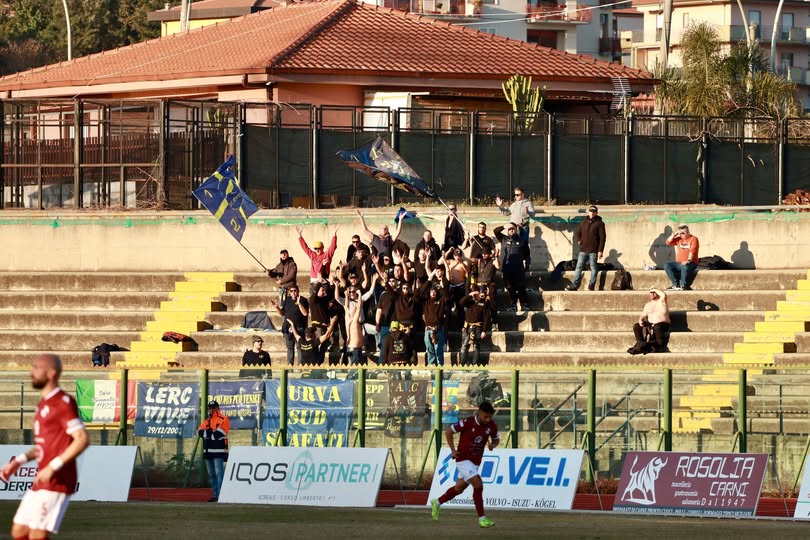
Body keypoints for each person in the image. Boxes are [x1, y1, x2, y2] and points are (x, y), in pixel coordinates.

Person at [0, 354, 89, 540]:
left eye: (36, 368)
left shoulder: (63, 402)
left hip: (58, 479)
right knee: (19, 531)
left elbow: (81, 439)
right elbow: (42, 446)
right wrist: (18, 462)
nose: (30, 372)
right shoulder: (43, 405)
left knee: (37, 534)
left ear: (51, 373)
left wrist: (53, 466)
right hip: (42, 479)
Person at [430, 401, 499, 528]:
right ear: (479, 413)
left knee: (458, 489)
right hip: (463, 460)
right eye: (486, 417)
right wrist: (453, 450)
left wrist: (492, 445)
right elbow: (448, 432)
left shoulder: (491, 425)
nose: (488, 419)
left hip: (475, 463)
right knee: (478, 484)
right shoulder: (467, 422)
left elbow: (496, 439)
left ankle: (437, 502)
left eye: (490, 417)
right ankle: (482, 519)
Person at [567, 205, 606, 291]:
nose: (592, 213)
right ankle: (574, 285)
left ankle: (591, 285)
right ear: (588, 212)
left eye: (594, 211)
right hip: (583, 249)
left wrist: (600, 250)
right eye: (591, 211)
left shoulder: (600, 223)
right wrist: (579, 240)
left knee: (593, 268)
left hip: (594, 250)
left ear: (596, 213)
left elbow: (602, 238)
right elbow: (578, 232)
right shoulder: (583, 222)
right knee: (578, 267)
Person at [198, 400, 230, 502]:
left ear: (217, 408)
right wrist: (211, 433)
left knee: (219, 473)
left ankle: (221, 495)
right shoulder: (207, 420)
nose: (211, 410)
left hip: (219, 451)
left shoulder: (224, 419)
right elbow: (199, 432)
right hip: (208, 451)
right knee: (211, 474)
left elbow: (218, 434)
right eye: (209, 408)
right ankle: (215, 494)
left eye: (213, 407)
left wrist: (208, 433)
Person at [494, 223, 530, 312]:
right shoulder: (503, 239)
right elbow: (496, 231)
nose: (511, 230)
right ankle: (513, 305)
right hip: (506, 269)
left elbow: (526, 253)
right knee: (510, 288)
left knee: (521, 287)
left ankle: (524, 304)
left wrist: (519, 260)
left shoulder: (522, 240)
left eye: (513, 228)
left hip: (518, 269)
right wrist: (503, 226)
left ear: (516, 229)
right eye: (509, 229)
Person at [495, 186, 535, 262]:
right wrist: (500, 206)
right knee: (513, 246)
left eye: (518, 195)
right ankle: (513, 262)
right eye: (515, 195)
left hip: (523, 228)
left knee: (524, 246)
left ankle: (527, 265)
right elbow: (506, 213)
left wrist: (528, 212)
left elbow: (533, 214)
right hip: (513, 229)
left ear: (523, 194)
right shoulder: (514, 204)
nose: (516, 196)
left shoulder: (528, 203)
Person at [271, 284, 308, 365]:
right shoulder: (286, 300)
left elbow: (305, 313)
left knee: (300, 347)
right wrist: (277, 308)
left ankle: (300, 366)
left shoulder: (303, 300)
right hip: (287, 328)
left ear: (298, 291)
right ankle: (290, 367)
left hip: (299, 328)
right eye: (291, 291)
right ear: (289, 292)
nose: (293, 292)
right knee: (290, 348)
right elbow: (282, 313)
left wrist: (299, 304)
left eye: (295, 290)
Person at [296, 225, 339, 295]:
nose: (317, 250)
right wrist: (300, 236)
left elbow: (332, 247)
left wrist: (334, 235)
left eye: (319, 248)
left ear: (322, 248)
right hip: (314, 281)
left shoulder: (326, 255)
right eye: (315, 248)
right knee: (313, 299)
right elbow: (305, 247)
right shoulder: (313, 255)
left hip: (324, 280)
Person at [628, 287, 672, 355]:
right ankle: (640, 344)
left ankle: (660, 346)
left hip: (662, 325)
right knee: (636, 326)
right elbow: (643, 315)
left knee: (657, 327)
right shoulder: (648, 305)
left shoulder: (662, 301)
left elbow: (663, 295)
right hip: (650, 325)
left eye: (654, 292)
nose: (652, 294)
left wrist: (655, 289)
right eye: (651, 292)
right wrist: (640, 320)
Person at [459, 288, 493, 366]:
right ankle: (462, 364)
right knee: (464, 346)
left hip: (477, 328)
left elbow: (486, 318)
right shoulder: (469, 302)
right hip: (467, 327)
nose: (475, 296)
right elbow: (461, 302)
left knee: (476, 347)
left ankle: (475, 364)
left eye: (476, 294)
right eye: (474, 294)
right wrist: (469, 295)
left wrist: (484, 331)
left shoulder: (483, 303)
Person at [420, 280, 449, 366]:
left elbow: (447, 297)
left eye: (434, 291)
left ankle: (440, 366)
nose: (433, 293)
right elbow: (420, 293)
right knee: (430, 350)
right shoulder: (426, 302)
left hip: (438, 329)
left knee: (439, 350)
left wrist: (443, 287)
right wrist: (428, 280)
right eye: (431, 291)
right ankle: (431, 366)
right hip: (428, 329)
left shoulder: (441, 301)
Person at [664, 225, 700, 291]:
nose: (681, 235)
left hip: (691, 263)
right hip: (679, 263)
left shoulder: (694, 239)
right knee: (667, 265)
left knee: (684, 266)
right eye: (679, 233)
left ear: (688, 232)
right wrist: (674, 235)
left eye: (683, 233)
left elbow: (693, 251)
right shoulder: (679, 239)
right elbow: (667, 242)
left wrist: (688, 260)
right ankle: (675, 284)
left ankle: (683, 285)